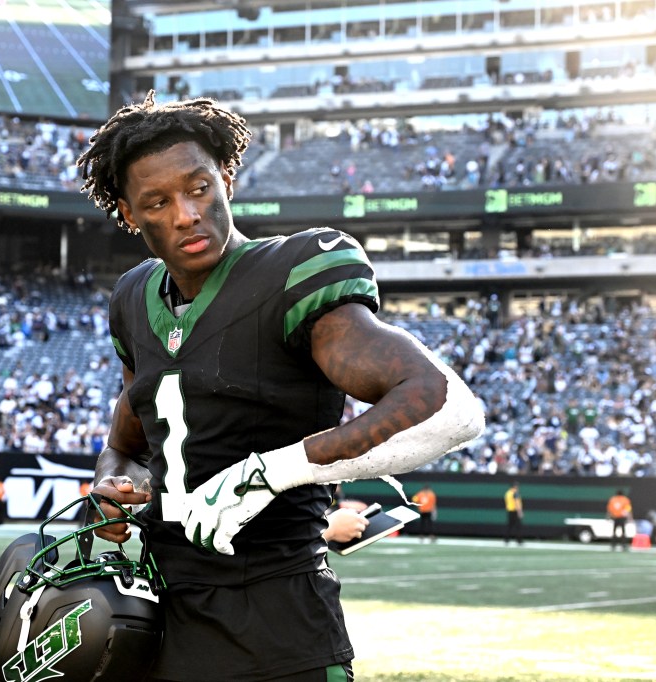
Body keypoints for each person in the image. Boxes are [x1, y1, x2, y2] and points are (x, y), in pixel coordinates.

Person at [76, 91, 486, 682]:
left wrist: (268, 473)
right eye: (158, 202)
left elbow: (449, 411)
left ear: (228, 179)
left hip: (281, 626)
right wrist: (114, 489)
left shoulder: (294, 273)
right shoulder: (132, 299)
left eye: (198, 188)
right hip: (161, 626)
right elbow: (130, 445)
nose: (187, 214)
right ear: (129, 214)